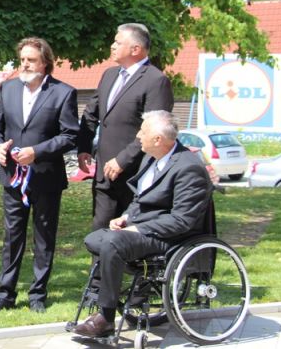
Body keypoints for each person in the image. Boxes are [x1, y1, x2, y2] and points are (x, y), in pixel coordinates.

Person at [73, 110, 212, 337]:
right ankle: (128, 293)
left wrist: (138, 228)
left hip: (171, 238)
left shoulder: (188, 168)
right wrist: (126, 217)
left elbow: (182, 220)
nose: (138, 136)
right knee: (95, 238)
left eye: (143, 131)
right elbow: (140, 199)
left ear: (157, 139)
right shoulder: (150, 159)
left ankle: (105, 317)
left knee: (112, 243)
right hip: (144, 230)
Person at [0, 37, 79, 314]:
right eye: (22, 59)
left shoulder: (63, 93)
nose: (25, 64)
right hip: (13, 177)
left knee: (43, 238)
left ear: (45, 63)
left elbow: (70, 136)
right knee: (12, 237)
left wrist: (36, 152)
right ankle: (5, 295)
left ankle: (37, 295)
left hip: (46, 177)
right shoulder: (8, 88)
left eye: (31, 60)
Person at [77, 23, 174, 232]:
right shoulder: (109, 75)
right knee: (100, 234)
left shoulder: (156, 81)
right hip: (104, 174)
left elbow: (154, 130)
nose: (112, 46)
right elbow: (91, 113)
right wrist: (83, 146)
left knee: (130, 236)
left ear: (135, 49)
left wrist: (122, 160)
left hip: (134, 175)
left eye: (118, 42)